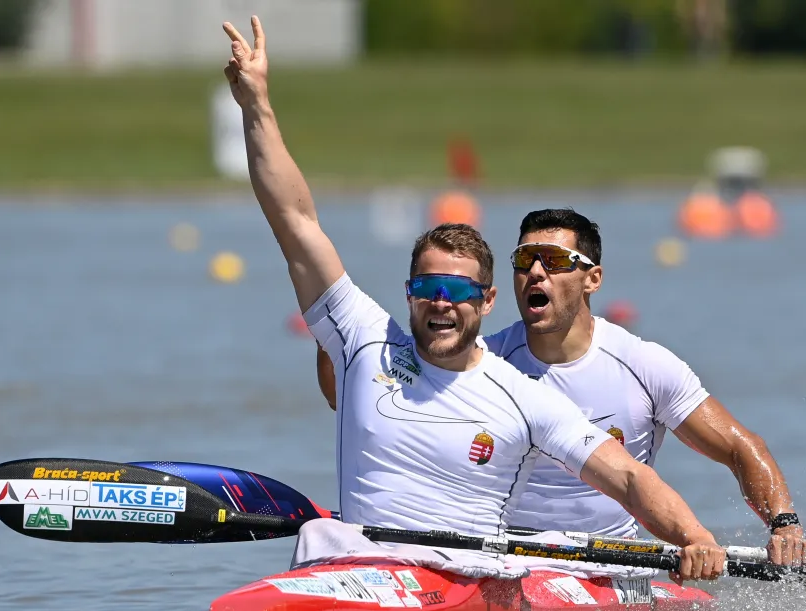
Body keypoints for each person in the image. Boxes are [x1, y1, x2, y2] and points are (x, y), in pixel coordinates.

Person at [222, 17, 725, 581]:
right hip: (354, 569)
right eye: (428, 289)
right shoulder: (363, 339)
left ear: (486, 301)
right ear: (409, 294)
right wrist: (257, 104)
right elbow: (294, 218)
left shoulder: (524, 397)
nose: (441, 303)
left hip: (462, 586)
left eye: (458, 292)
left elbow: (630, 478)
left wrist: (695, 537)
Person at [319, 208, 806, 567]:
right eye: (525, 259)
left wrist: (783, 523)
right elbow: (356, 399)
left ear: (592, 279)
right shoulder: (484, 365)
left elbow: (741, 449)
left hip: (612, 565)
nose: (535, 270)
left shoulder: (644, 366)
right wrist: (340, 343)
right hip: (507, 560)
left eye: (553, 259)